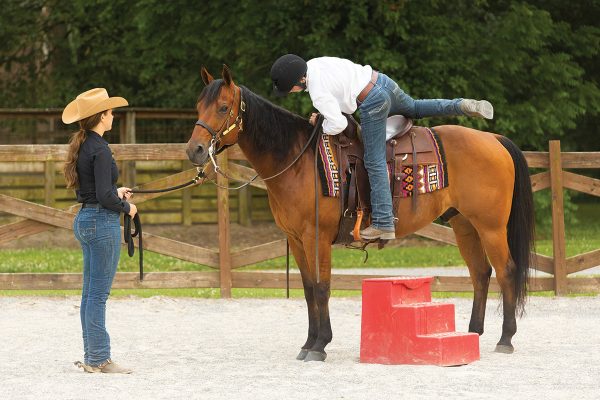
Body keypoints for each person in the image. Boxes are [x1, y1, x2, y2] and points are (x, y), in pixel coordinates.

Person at [270, 54, 494, 241]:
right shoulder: (317, 63)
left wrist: (320, 126)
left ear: (299, 80)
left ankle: (384, 222)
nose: (290, 92)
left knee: (374, 160)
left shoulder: (317, 93)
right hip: (382, 82)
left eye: (289, 88)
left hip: (372, 102)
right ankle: (462, 105)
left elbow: (337, 123)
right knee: (415, 107)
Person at [62, 88, 137, 374]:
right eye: (110, 112)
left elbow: (98, 190)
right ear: (102, 116)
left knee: (89, 294)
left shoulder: (84, 146)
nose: (113, 115)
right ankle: (99, 359)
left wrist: (114, 192)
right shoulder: (101, 149)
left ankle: (93, 355)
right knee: (98, 295)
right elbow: (106, 199)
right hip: (101, 222)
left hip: (85, 219)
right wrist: (127, 208)